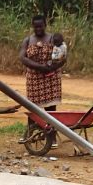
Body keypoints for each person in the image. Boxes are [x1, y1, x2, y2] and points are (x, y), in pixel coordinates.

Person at [19, 15, 65, 147]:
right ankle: (30, 135)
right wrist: (40, 67)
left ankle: (52, 137)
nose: (38, 29)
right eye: (36, 26)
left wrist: (51, 68)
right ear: (32, 26)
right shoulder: (28, 40)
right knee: (33, 108)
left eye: (41, 26)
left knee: (50, 108)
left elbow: (63, 56)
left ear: (45, 25)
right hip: (34, 79)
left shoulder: (53, 39)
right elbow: (22, 58)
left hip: (51, 78)